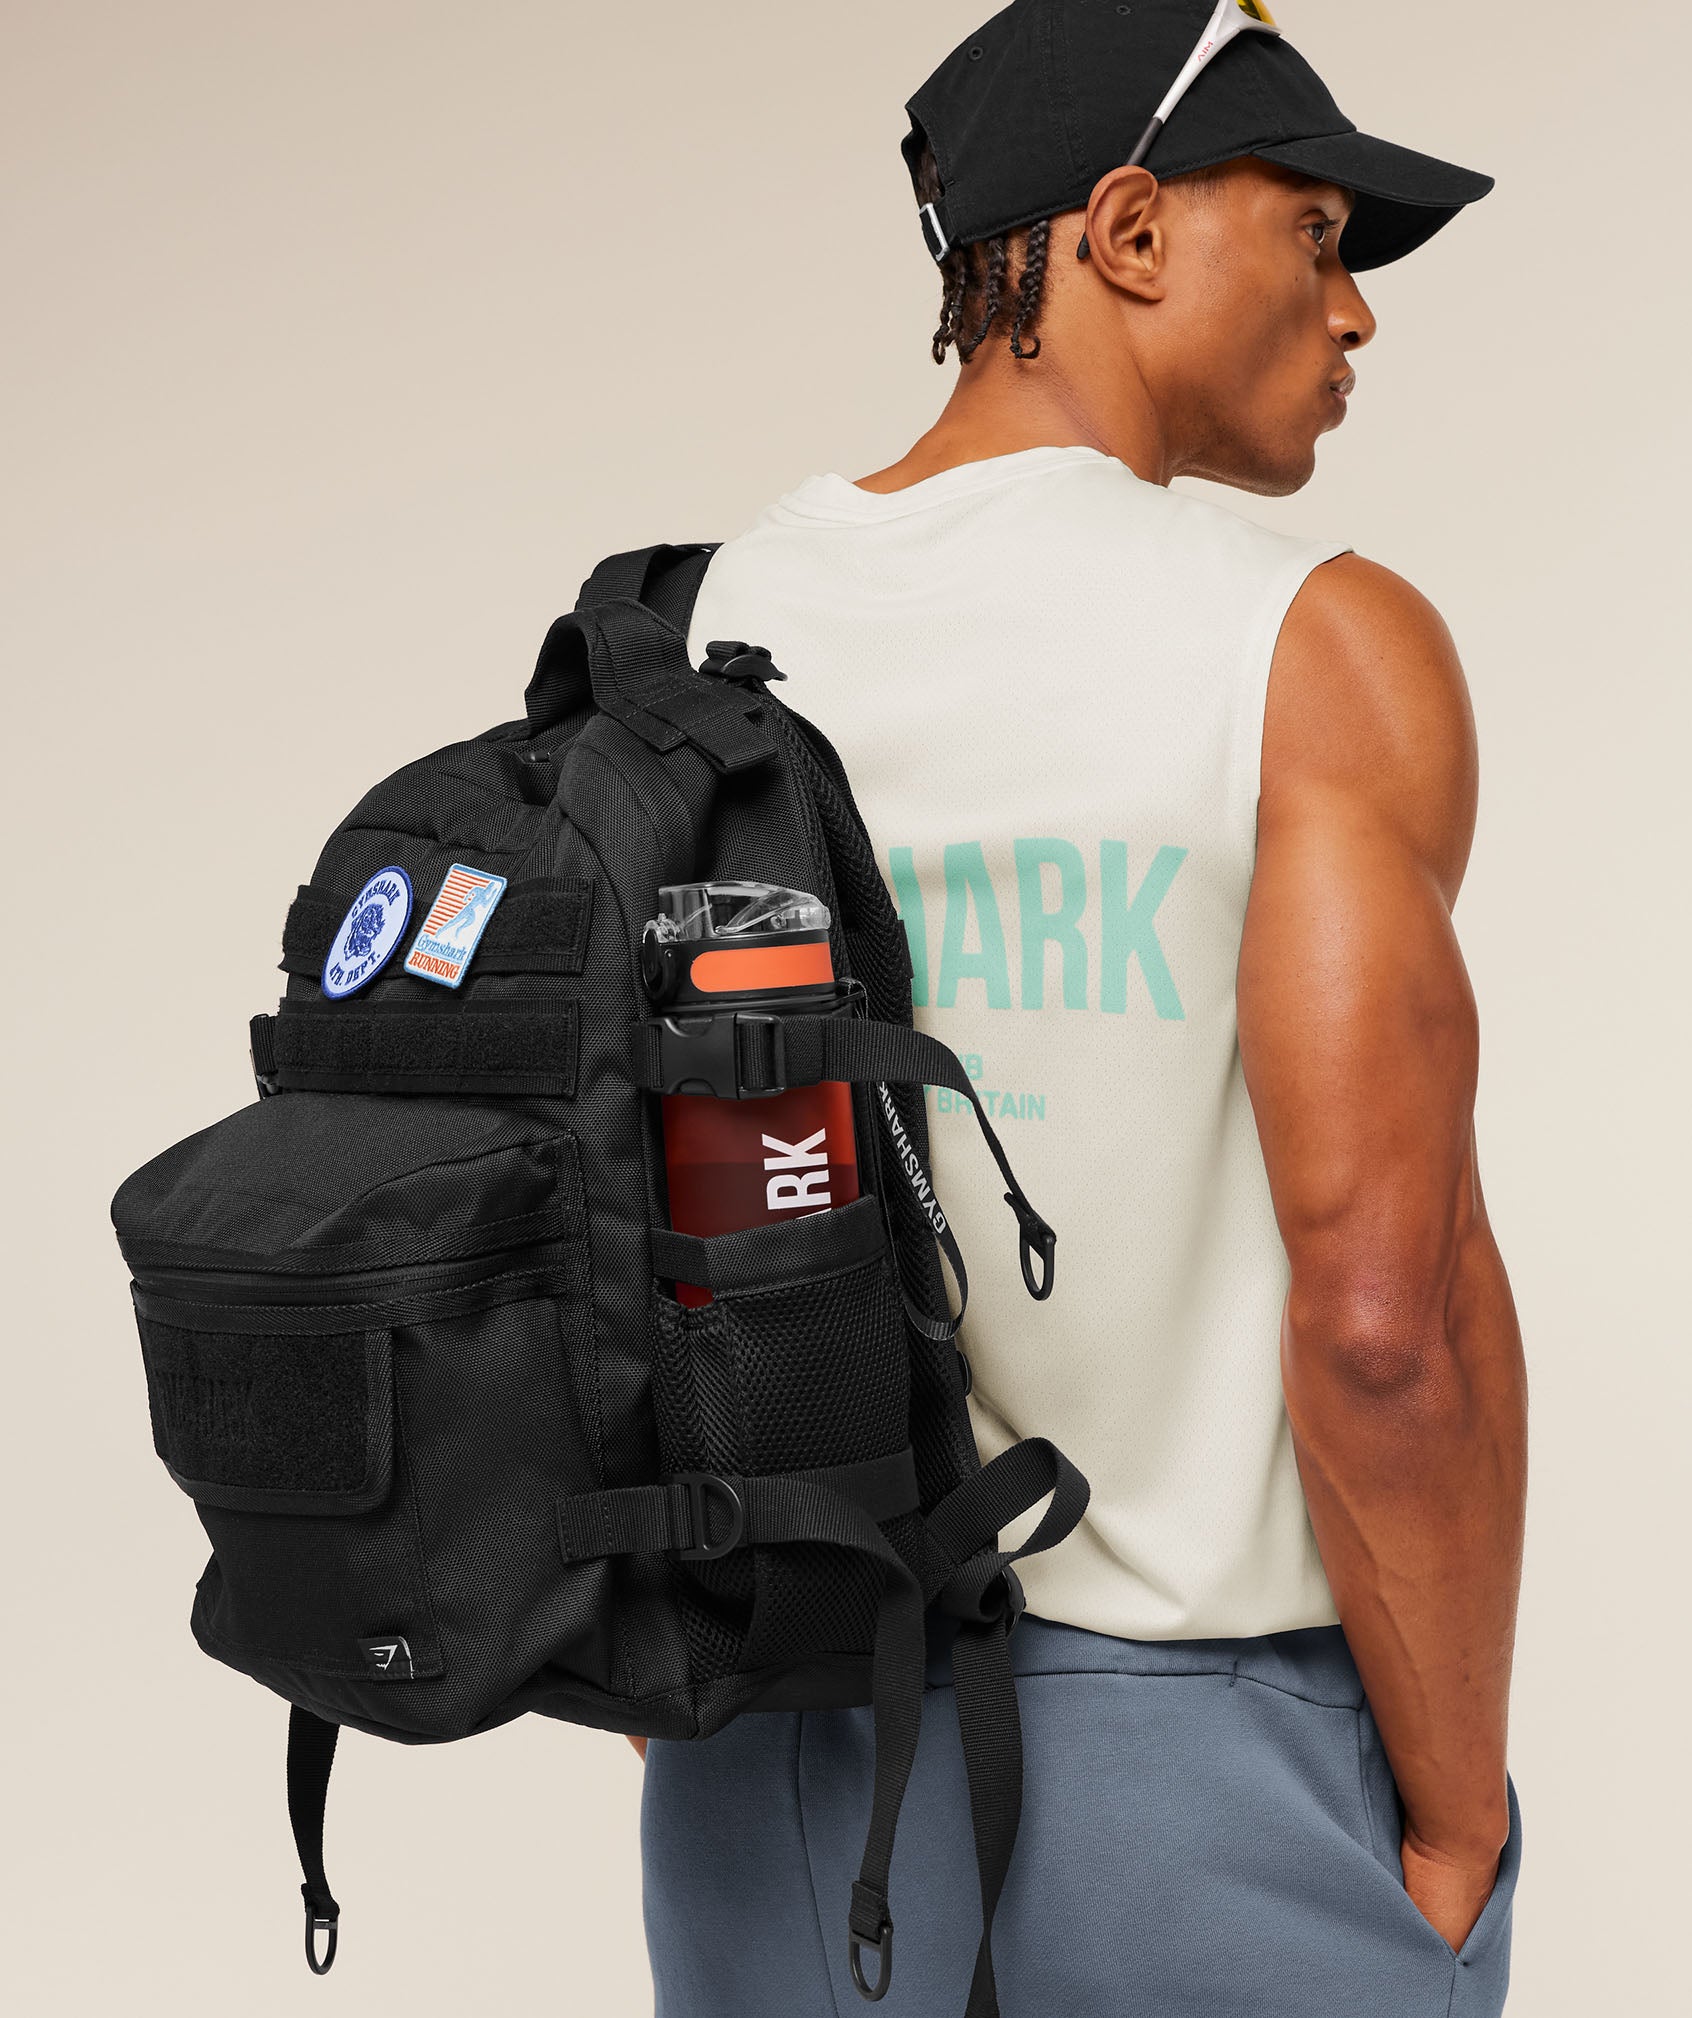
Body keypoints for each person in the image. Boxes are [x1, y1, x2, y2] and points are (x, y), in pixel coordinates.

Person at [635, 4, 1528, 2013]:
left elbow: (614, 1227)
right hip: (1199, 1761)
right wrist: (1458, 1814)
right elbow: (1388, 1321)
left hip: (780, 1753)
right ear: (1127, 231)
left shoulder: (693, 635)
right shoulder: (1306, 649)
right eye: (1316, 233)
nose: (1356, 311)